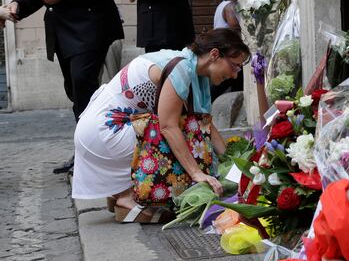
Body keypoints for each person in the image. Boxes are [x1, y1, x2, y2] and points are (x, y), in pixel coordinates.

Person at [71, 29, 250, 223]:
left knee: (192, 128)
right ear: (215, 54)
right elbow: (168, 127)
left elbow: (205, 124)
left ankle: (120, 191)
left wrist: (234, 165)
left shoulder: (187, 64)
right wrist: (197, 174)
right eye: (234, 66)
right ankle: (126, 198)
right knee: (183, 131)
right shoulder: (181, 69)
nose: (234, 75)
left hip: (99, 130)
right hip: (105, 133)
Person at [1, 0, 124, 174]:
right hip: (63, 36)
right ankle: (87, 150)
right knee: (76, 92)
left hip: (90, 29)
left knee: (84, 87)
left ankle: (94, 155)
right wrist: (16, 7)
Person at [210, 0, 244, 101]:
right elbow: (235, 28)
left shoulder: (222, 4)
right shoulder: (230, 6)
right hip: (226, 53)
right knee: (222, 82)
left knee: (235, 81)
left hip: (224, 51)